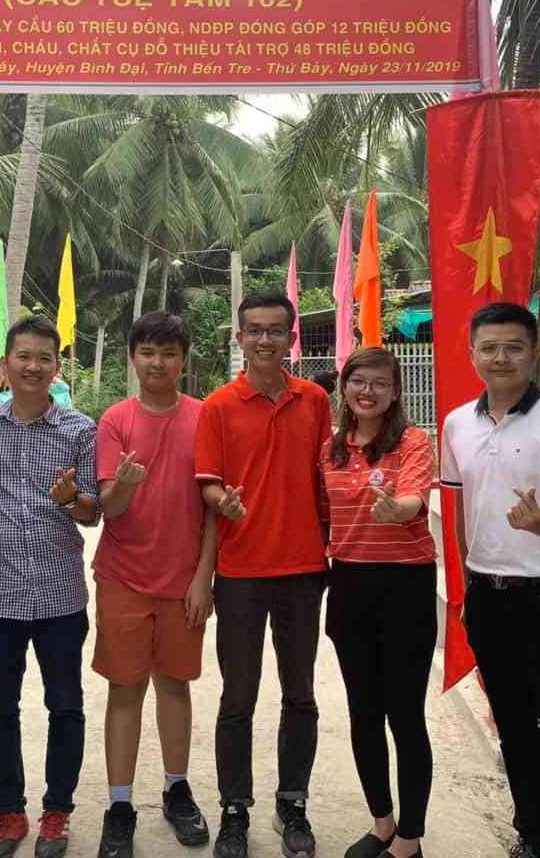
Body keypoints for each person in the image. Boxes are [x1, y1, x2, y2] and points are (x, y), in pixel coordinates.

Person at [439, 302, 540, 858]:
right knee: (513, 724)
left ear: (533, 354)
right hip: (489, 597)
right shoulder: (457, 423)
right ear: (472, 354)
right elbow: (462, 515)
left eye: (513, 347)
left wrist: (539, 521)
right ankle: (531, 835)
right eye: (489, 347)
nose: (500, 357)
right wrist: (467, 587)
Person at [194, 293, 334, 858]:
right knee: (238, 697)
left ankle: (292, 803)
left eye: (276, 330)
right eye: (254, 330)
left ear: (291, 338)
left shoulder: (316, 400)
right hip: (241, 573)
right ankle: (234, 810)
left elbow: (330, 477)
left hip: (304, 570)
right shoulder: (218, 406)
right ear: (240, 339)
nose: (265, 340)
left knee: (300, 694)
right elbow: (207, 483)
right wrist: (221, 500)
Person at [0, 317, 100, 858]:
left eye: (44, 358)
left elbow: (93, 514)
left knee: (65, 705)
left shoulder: (80, 430)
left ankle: (56, 812)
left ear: (56, 366)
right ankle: (9, 812)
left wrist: (69, 500)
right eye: (23, 356)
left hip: (59, 595)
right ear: (6, 365)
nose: (33, 366)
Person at [92, 312, 217, 858]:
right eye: (147, 352)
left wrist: (204, 577)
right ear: (133, 357)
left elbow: (213, 508)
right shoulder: (115, 420)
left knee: (175, 684)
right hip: (123, 576)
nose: (158, 363)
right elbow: (109, 508)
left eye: (168, 353)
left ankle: (176, 788)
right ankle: (119, 804)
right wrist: (123, 484)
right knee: (125, 690)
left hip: (183, 579)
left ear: (183, 360)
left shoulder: (205, 417)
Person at [319, 348, 437, 858]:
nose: (367, 391)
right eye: (358, 381)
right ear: (344, 387)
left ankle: (409, 839)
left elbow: (413, 496)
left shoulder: (413, 441)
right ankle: (383, 822)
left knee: (404, 714)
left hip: (405, 587)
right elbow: (321, 514)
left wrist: (398, 510)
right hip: (349, 586)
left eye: (379, 384)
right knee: (363, 712)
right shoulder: (331, 449)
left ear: (395, 393)